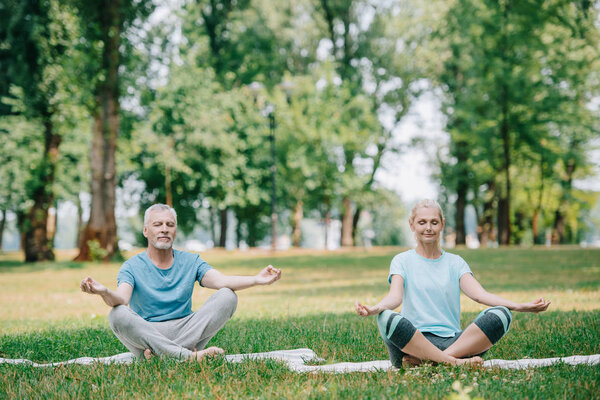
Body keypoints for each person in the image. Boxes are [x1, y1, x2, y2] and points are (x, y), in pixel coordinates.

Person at [355, 199, 550, 367]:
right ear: (412, 224)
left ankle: (431, 361)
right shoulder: (401, 260)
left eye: (434, 222)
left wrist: (520, 306)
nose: (428, 228)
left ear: (442, 224)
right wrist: (375, 308)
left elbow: (479, 295)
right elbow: (394, 297)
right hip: (412, 344)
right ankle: (454, 363)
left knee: (502, 314)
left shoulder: (455, 262)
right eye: (422, 222)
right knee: (385, 317)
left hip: (454, 343)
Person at [80, 204, 281, 362]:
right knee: (117, 313)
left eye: (170, 224)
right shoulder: (131, 266)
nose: (164, 229)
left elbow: (221, 281)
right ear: (145, 230)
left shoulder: (191, 261)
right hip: (149, 334)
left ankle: (164, 356)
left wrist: (256, 279)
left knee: (227, 295)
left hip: (187, 330)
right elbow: (122, 299)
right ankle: (187, 357)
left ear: (175, 230)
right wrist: (104, 291)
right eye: (157, 224)